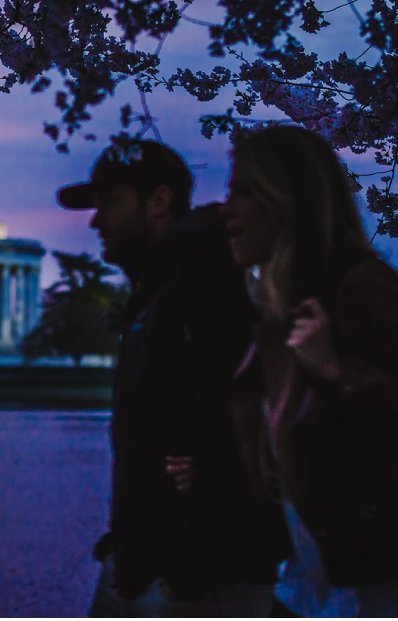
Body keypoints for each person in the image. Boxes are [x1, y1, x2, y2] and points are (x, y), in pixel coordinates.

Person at [220, 125, 398, 616]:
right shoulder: (279, 315)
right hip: (315, 589)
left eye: (242, 193)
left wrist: (339, 370)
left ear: (286, 200)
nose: (225, 209)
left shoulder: (362, 286)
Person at [56, 139, 285, 616]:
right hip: (149, 561)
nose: (96, 222)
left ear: (158, 201)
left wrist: (187, 560)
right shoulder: (163, 287)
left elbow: (236, 420)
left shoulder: (202, 284)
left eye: (109, 205)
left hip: (189, 578)